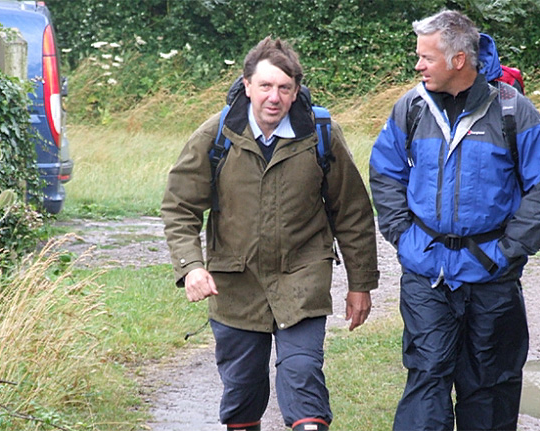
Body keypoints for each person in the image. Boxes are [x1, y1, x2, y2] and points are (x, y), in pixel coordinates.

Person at [161, 36, 379, 431]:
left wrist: (360, 284)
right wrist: (191, 266)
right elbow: (180, 206)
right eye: (265, 86)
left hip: (303, 279)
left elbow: (352, 212)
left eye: (284, 87)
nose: (274, 97)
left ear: (296, 91)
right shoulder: (216, 136)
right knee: (242, 394)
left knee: (302, 375)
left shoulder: (321, 134)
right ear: (247, 86)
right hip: (235, 284)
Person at [369, 10, 540, 431]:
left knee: (489, 387)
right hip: (427, 273)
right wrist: (403, 236)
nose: (417, 66)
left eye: (426, 57)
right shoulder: (412, 107)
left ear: (458, 60)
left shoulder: (512, 110)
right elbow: (385, 172)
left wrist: (509, 251)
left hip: (492, 275)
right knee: (427, 377)